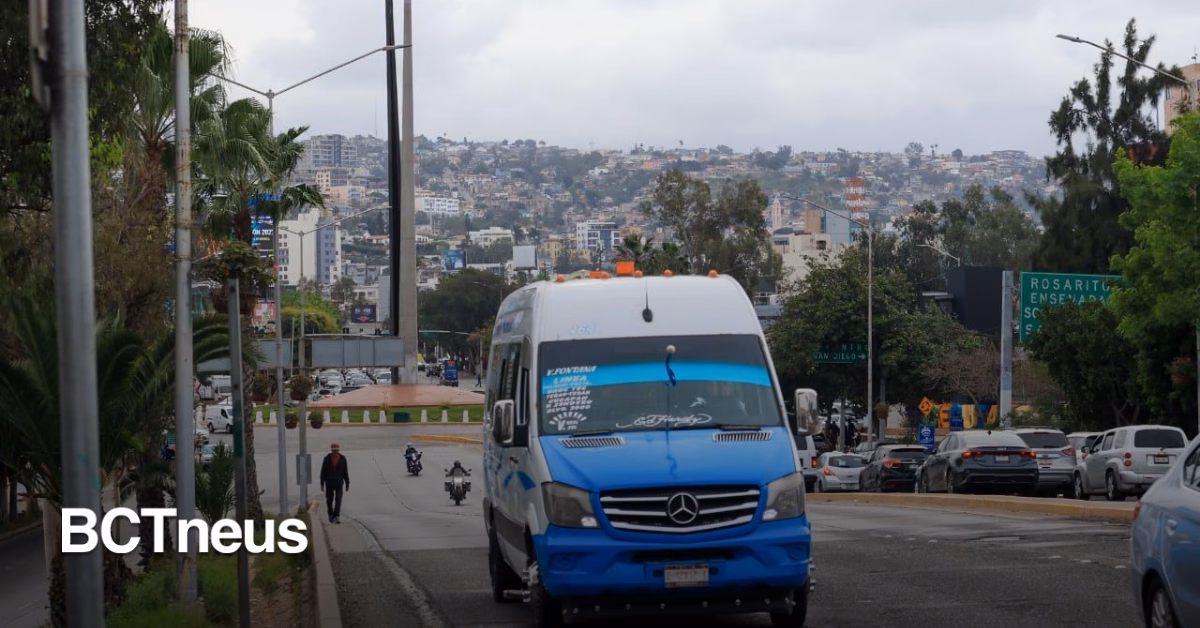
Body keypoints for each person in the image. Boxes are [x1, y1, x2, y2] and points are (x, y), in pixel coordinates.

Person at [319, 443, 350, 524]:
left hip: (339, 483)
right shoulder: (326, 459)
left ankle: (336, 516)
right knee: (329, 500)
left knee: (338, 500)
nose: (335, 452)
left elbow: (345, 472)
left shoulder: (343, 459)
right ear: (331, 450)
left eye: (336, 450)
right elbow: (323, 472)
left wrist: (347, 483)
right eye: (333, 450)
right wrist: (322, 483)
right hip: (329, 483)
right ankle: (330, 514)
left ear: (338, 450)